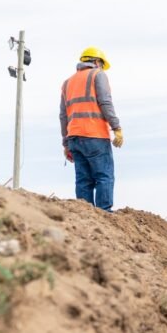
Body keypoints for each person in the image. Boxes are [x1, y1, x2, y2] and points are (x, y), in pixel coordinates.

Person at [60, 47, 123, 211]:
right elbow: (105, 102)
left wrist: (66, 143)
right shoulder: (98, 75)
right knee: (104, 175)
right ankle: (104, 214)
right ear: (96, 62)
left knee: (83, 180)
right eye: (101, 64)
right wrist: (116, 127)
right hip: (95, 135)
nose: (102, 68)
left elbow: (63, 115)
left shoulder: (68, 83)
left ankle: (86, 215)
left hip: (74, 137)